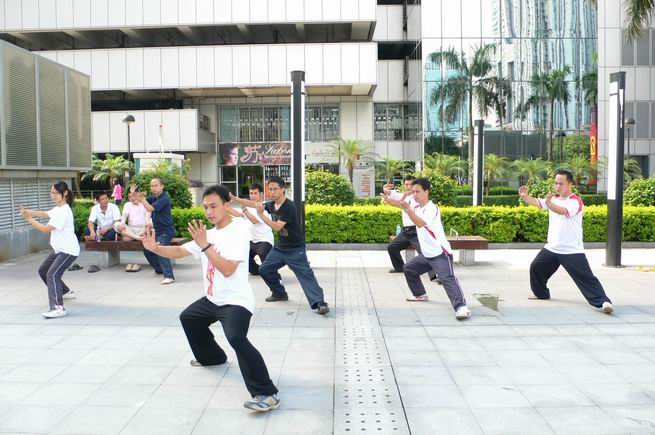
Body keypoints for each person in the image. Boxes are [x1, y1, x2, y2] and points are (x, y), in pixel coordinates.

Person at [141, 185, 280, 411]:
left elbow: (227, 269)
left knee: (236, 338)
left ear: (226, 206)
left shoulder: (238, 231)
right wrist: (155, 247)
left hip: (235, 301)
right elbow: (178, 252)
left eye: (213, 206)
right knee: (189, 318)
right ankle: (212, 357)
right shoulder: (210, 234)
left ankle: (267, 393)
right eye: (205, 207)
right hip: (212, 299)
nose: (209, 211)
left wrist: (204, 245)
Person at [519, 169, 614, 314]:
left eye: (561, 184)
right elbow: (537, 202)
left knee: (586, 277)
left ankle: (604, 302)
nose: (557, 186)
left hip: (571, 250)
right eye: (556, 183)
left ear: (570, 184)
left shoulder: (575, 201)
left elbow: (561, 211)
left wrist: (549, 204)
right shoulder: (554, 198)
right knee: (536, 267)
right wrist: (525, 196)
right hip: (552, 248)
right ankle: (541, 294)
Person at [231, 176, 329, 315]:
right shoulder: (272, 204)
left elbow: (277, 227)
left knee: (306, 275)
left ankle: (320, 302)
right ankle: (279, 293)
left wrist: (261, 215)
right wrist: (234, 198)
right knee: (264, 269)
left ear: (283, 189)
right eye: (270, 189)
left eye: (275, 189)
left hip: (295, 249)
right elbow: (252, 204)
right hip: (280, 249)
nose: (272, 191)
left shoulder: (289, 206)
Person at [383, 178, 472, 320]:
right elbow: (401, 204)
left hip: (440, 254)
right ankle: (420, 294)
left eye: (417, 191)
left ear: (427, 192)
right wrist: (389, 200)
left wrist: (407, 209)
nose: (415, 194)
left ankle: (462, 307)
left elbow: (419, 222)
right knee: (409, 269)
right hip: (426, 255)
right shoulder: (416, 205)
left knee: (447, 278)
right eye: (413, 192)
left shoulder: (432, 208)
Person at [19, 181, 79, 318]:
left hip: (68, 250)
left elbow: (45, 229)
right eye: (51, 193)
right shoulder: (58, 209)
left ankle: (58, 307)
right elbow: (45, 213)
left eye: (56, 193)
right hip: (59, 250)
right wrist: (30, 212)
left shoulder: (63, 211)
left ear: (64, 193)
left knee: (52, 274)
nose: (53, 195)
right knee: (43, 271)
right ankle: (64, 291)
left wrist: (29, 219)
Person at [383, 176, 439, 282]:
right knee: (392, 247)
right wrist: (385, 190)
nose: (409, 187)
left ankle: (436, 275)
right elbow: (391, 196)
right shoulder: (404, 196)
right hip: (406, 232)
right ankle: (399, 268)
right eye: (406, 184)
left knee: (425, 252)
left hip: (417, 231)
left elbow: (399, 203)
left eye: (411, 185)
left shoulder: (418, 198)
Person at [136, 178, 176, 285]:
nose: (153, 188)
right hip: (157, 231)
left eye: (155, 185)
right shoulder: (154, 198)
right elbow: (137, 200)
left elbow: (149, 208)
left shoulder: (164, 198)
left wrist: (143, 199)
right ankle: (159, 269)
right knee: (147, 249)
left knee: (160, 248)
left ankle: (169, 276)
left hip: (166, 231)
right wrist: (136, 194)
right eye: (151, 186)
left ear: (162, 186)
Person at [114, 187, 151, 272]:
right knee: (117, 224)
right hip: (131, 230)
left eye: (133, 196)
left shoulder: (145, 203)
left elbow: (147, 218)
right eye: (130, 197)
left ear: (138, 195)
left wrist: (146, 225)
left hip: (142, 229)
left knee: (150, 224)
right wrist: (122, 223)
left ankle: (133, 237)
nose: (132, 199)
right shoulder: (127, 204)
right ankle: (137, 238)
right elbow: (124, 215)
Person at [84, 191, 121, 273]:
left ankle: (94, 238)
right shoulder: (95, 208)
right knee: (87, 230)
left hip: (112, 228)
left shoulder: (113, 207)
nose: (105, 200)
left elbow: (117, 222)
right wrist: (92, 231)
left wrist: (107, 228)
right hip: (99, 230)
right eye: (102, 199)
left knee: (111, 234)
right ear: (98, 201)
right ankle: (95, 236)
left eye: (106, 198)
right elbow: (90, 222)